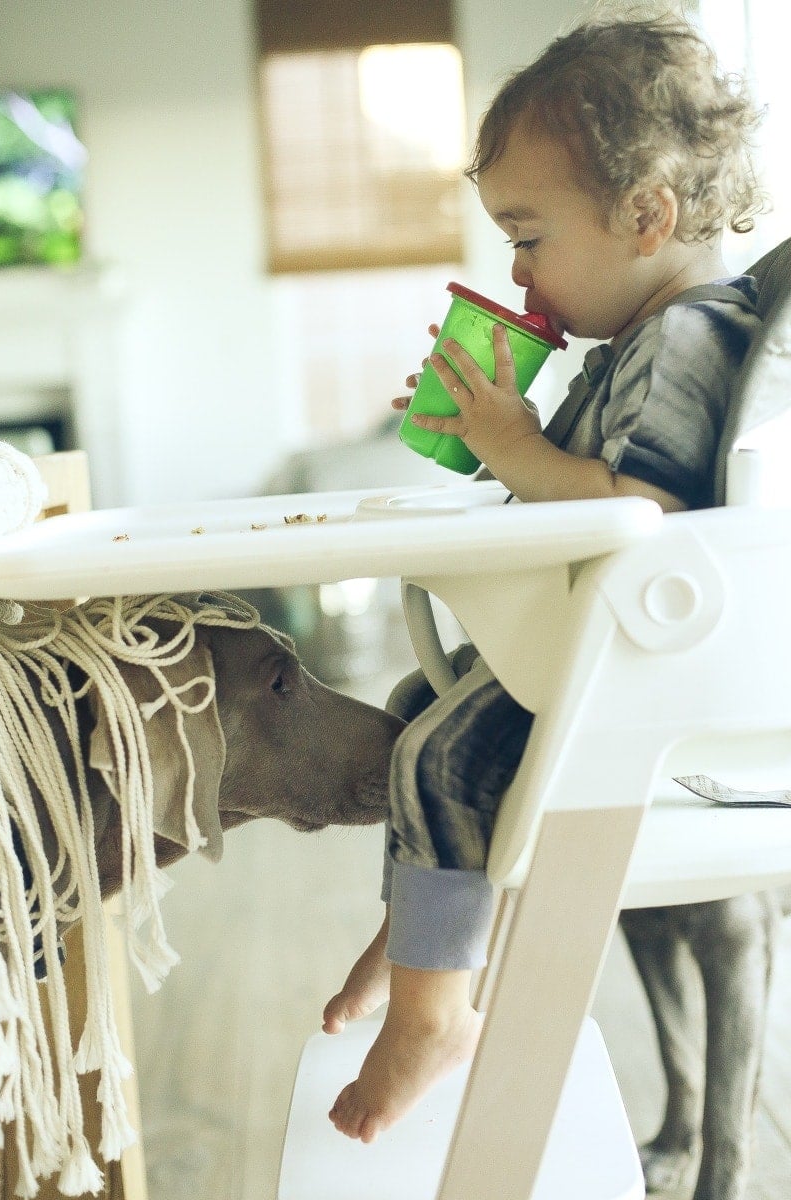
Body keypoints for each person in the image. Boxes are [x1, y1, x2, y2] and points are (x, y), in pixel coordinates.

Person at [324, 3, 766, 1143]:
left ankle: (435, 1012)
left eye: (527, 236)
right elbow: (566, 483)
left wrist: (514, 450)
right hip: (591, 656)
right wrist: (488, 435)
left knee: (435, 754)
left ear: (644, 215)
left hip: (636, 680)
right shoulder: (636, 341)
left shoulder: (687, 338)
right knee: (416, 708)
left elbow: (648, 511)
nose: (516, 271)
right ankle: (421, 933)